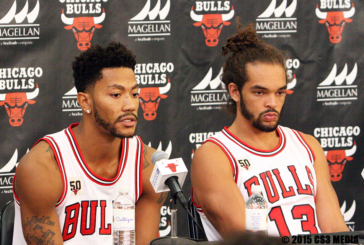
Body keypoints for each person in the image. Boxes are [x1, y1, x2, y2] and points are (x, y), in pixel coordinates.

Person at [191, 23, 349, 241]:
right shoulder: (214, 156)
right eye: (260, 92)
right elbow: (245, 240)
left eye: (280, 92)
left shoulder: (307, 145)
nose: (272, 103)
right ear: (235, 91)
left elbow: (335, 231)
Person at [12, 42, 167, 245]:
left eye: (135, 94)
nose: (130, 105)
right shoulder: (42, 167)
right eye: (116, 95)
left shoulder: (148, 165)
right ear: (85, 102)